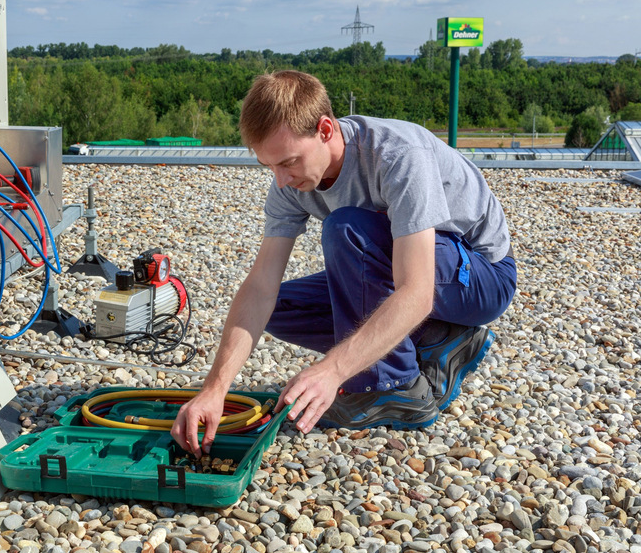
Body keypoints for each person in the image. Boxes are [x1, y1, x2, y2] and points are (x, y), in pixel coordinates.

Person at [170, 70, 516, 457]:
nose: (281, 181)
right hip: (415, 271)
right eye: (270, 167)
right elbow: (260, 286)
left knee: (347, 228)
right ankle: (439, 339)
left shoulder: (398, 155)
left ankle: (397, 389)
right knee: (278, 307)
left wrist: (332, 372)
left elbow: (416, 292)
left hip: (481, 277)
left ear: (325, 129)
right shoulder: (291, 181)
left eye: (288, 163)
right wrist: (214, 390)